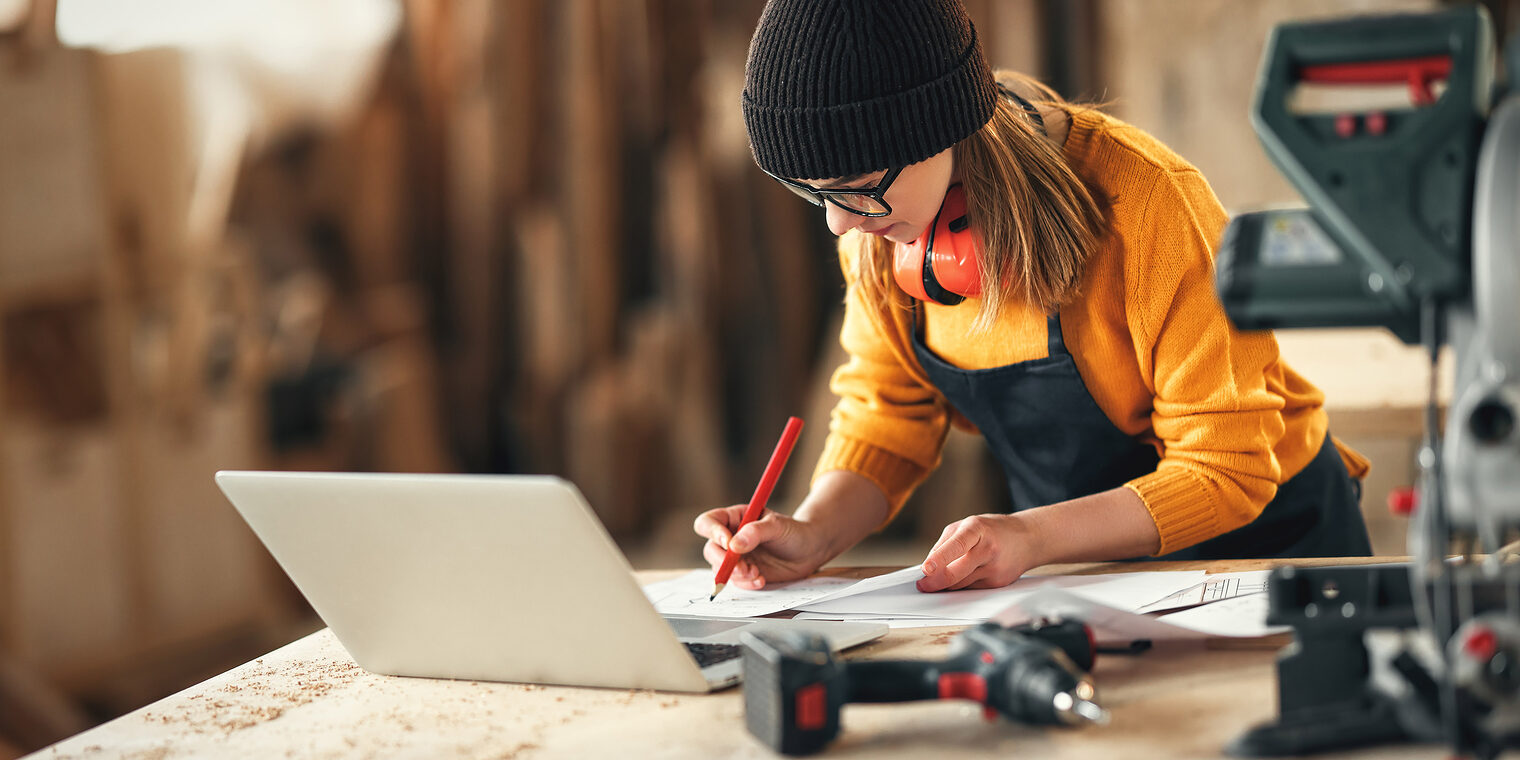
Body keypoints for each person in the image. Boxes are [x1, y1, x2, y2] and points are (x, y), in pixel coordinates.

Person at [694, 0, 1374, 594]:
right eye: (812, 191)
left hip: (1271, 556)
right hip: (1094, 578)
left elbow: (1226, 464)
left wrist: (1033, 537)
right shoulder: (880, 227)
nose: (837, 222)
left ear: (938, 127)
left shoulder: (1151, 205)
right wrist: (813, 531)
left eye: (853, 186)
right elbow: (886, 419)